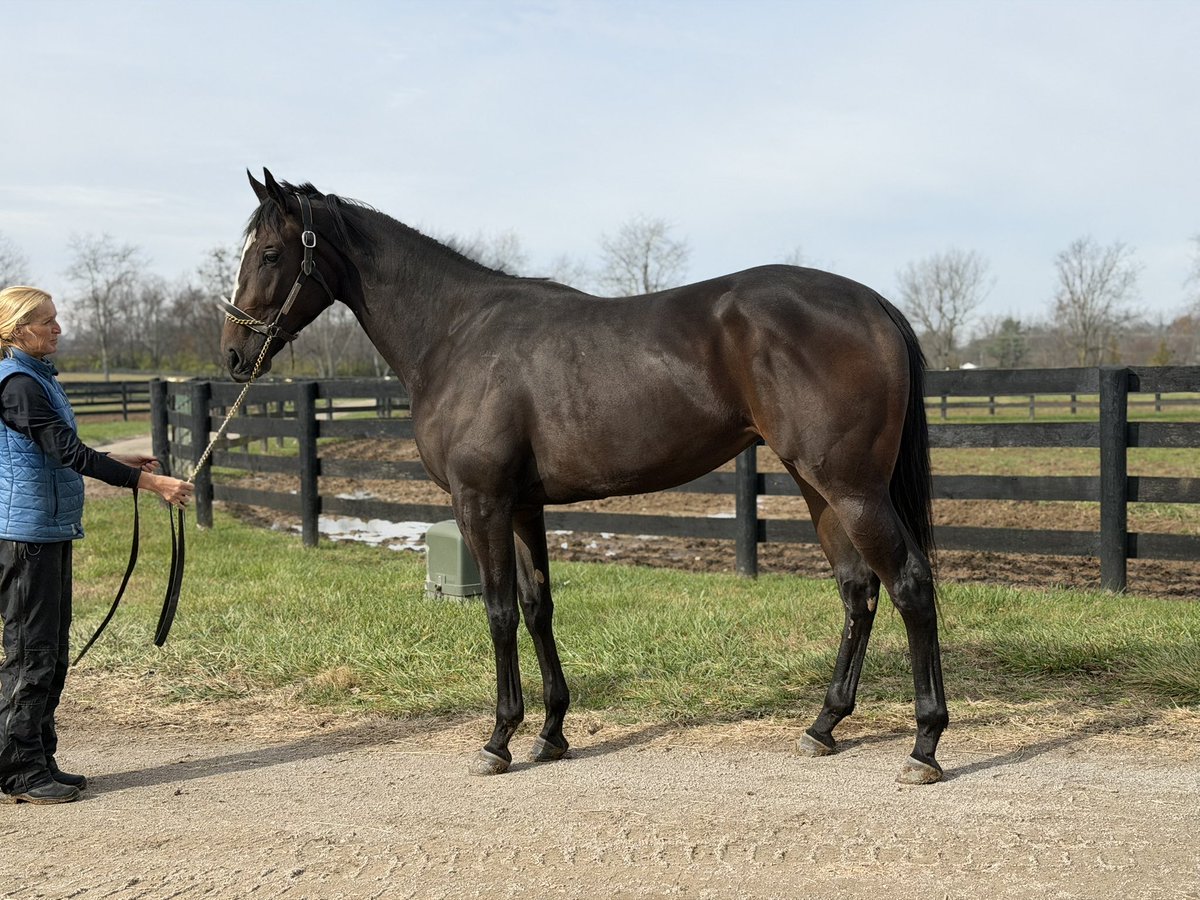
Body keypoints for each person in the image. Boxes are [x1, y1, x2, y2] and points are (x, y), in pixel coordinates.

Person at [0, 285, 193, 805]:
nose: (58, 328)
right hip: (25, 538)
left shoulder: (38, 378)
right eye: (47, 321)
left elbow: (58, 449)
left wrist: (116, 459)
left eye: (56, 318)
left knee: (51, 652)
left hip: (46, 531)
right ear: (17, 331)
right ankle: (18, 771)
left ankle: (37, 758)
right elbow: (66, 452)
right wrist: (151, 484)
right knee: (31, 654)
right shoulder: (18, 384)